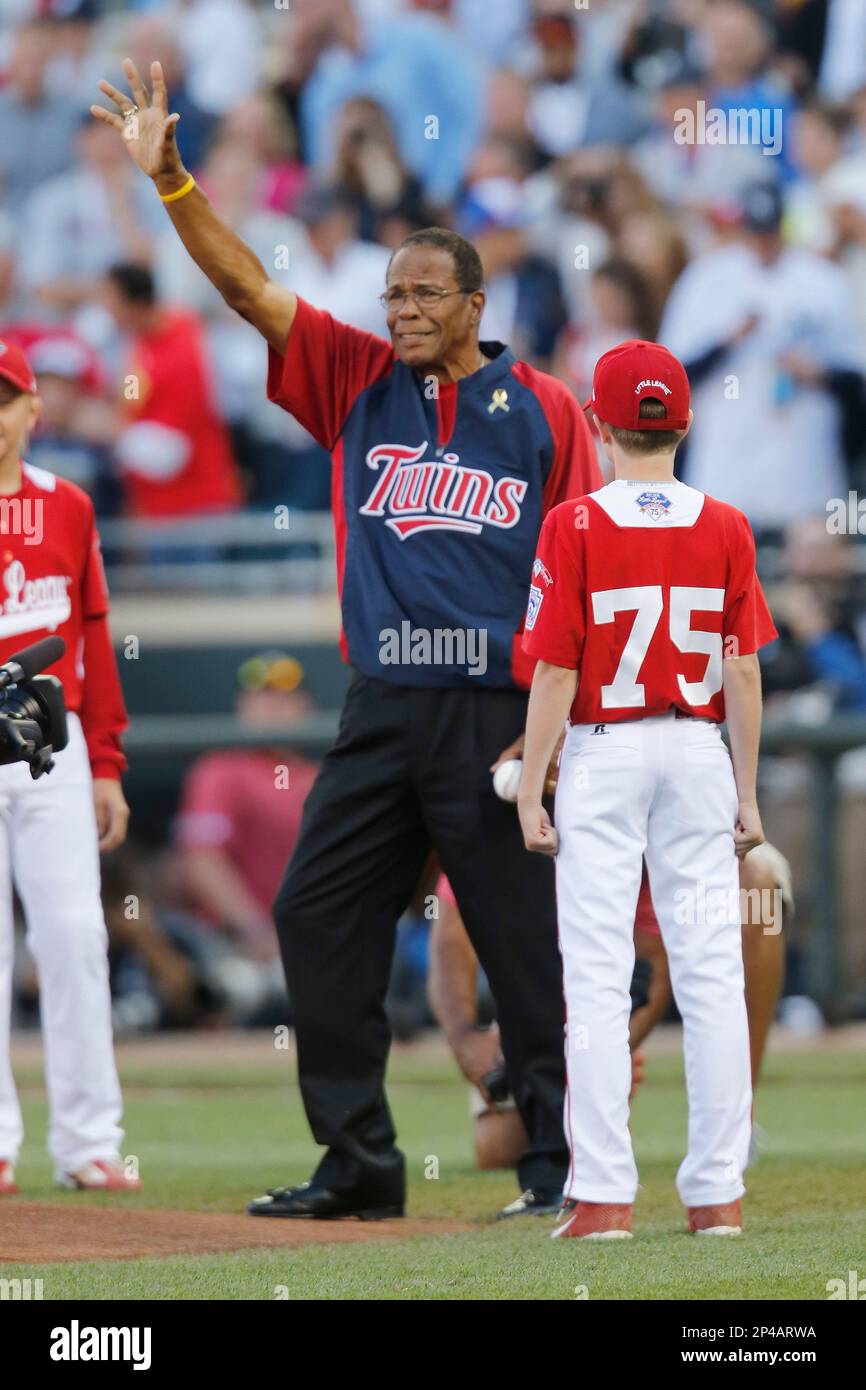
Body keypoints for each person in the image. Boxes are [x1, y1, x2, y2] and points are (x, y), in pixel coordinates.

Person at [91, 58, 602, 1221]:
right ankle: (360, 1165)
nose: (404, 311)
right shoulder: (354, 378)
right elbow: (246, 292)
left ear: (476, 306)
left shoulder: (544, 410)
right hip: (379, 705)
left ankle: (563, 1166)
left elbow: (575, 572)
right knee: (315, 911)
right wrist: (172, 183)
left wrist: (555, 732)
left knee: (523, 942)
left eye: (426, 294)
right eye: (393, 295)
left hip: (493, 709)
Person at [518, 340, 778, 1239]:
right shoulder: (729, 524)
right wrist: (745, 793)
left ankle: (604, 1197)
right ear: (687, 421)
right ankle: (716, 1197)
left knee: (593, 976)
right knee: (711, 975)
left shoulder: (576, 523)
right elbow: (742, 674)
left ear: (597, 422)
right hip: (699, 746)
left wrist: (529, 787)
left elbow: (554, 670)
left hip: (604, 747)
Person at [0, 339, 138, 1197]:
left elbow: (93, 634)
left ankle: (89, 1139)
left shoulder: (69, 507)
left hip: (53, 746)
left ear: (31, 408)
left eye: (5, 398)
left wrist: (108, 763)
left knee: (77, 935)